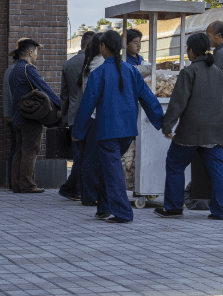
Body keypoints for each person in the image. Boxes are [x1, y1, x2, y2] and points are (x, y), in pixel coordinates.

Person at [74, 30, 163, 223]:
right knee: (109, 166)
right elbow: (148, 98)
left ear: (103, 47)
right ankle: (104, 208)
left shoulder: (99, 73)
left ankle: (122, 212)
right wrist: (162, 123)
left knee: (112, 169)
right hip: (128, 130)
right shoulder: (131, 71)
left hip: (107, 129)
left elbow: (87, 104)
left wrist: (78, 131)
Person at [156, 33, 223, 220]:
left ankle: (173, 207)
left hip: (190, 132)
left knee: (175, 163)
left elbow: (177, 103)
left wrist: (167, 126)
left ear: (191, 51)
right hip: (216, 132)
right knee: (217, 170)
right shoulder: (219, 74)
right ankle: (221, 211)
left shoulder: (189, 72)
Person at [9, 38, 61, 193]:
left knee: (19, 150)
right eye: (36, 52)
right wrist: (61, 105)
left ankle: (16, 184)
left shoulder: (14, 69)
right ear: (31, 52)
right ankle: (27, 185)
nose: (37, 56)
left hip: (17, 116)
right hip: (29, 117)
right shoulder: (28, 69)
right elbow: (45, 88)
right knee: (31, 149)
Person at [58, 30, 95, 201]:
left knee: (79, 154)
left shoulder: (68, 63)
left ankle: (73, 188)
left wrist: (64, 117)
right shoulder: (94, 63)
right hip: (90, 116)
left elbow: (64, 95)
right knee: (86, 156)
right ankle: (74, 188)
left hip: (74, 115)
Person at [74, 33, 106, 206]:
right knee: (92, 159)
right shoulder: (101, 65)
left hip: (89, 117)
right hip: (96, 116)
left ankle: (88, 194)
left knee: (87, 157)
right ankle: (91, 195)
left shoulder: (90, 63)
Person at [2, 54, 18, 189]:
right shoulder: (17, 70)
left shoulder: (9, 69)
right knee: (17, 148)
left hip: (9, 114)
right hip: (15, 115)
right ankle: (13, 181)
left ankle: (11, 181)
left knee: (14, 147)